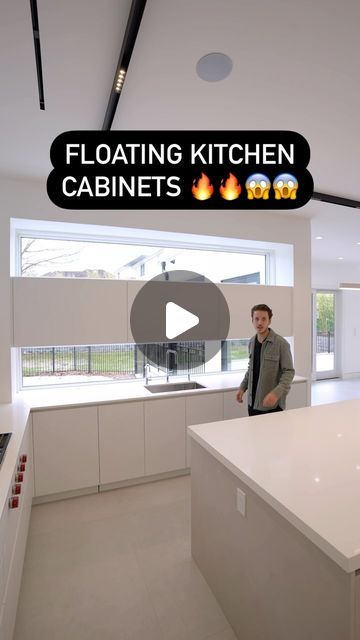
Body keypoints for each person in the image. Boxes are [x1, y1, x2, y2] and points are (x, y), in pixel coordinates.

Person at [236, 304, 295, 416]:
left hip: (272, 406)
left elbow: (289, 372)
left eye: (264, 319)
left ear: (269, 321)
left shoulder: (281, 344)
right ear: (252, 321)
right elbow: (251, 369)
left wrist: (276, 393)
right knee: (254, 433)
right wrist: (242, 388)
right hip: (252, 404)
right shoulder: (252, 342)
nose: (260, 322)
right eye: (256, 319)